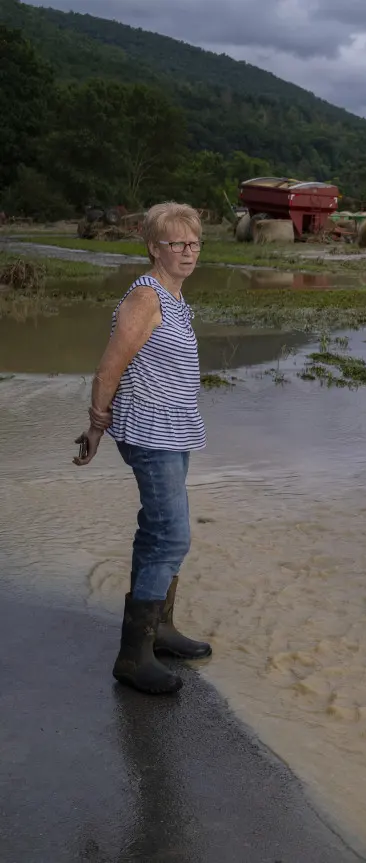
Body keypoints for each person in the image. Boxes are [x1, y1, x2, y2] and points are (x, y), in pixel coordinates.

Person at [73, 201, 211, 695]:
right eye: (176, 243)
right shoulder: (145, 298)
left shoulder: (173, 296)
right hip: (150, 434)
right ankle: (133, 656)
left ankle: (161, 631)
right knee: (172, 536)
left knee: (155, 529)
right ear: (155, 247)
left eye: (193, 242)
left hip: (174, 430)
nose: (187, 251)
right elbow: (109, 367)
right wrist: (95, 425)